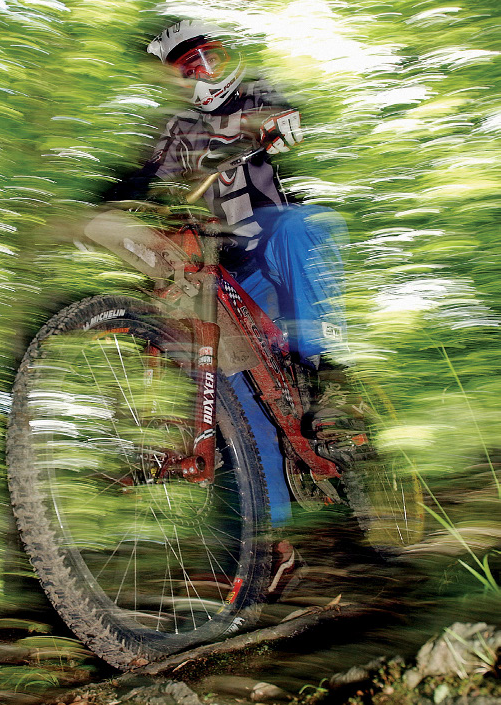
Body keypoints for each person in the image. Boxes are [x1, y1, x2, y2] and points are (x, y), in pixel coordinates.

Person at [103, 19, 369, 596]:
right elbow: (142, 177)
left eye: (208, 60)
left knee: (298, 227)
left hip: (270, 255)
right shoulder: (174, 129)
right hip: (221, 273)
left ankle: (331, 381)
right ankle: (269, 544)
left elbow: (278, 111)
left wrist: (273, 124)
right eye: (187, 68)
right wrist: (104, 207)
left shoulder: (255, 93)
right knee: (238, 394)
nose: (202, 74)